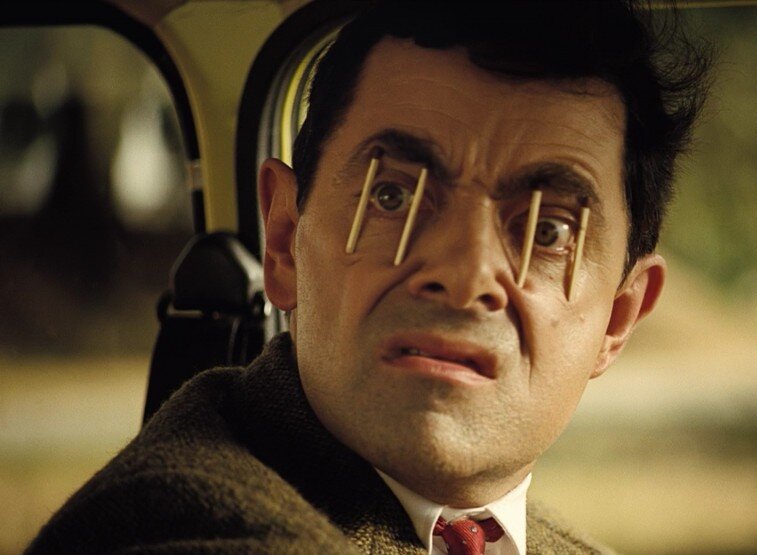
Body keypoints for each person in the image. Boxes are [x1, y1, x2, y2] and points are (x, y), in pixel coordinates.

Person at [28, 1, 710, 553]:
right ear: (285, 241)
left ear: (617, 318)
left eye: (547, 232)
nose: (464, 277)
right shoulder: (175, 519)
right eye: (392, 197)